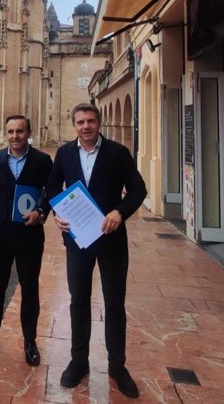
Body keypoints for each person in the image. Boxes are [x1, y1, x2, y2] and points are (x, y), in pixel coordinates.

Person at [46, 102, 146, 398]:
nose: (86, 126)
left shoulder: (118, 152)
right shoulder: (64, 153)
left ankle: (117, 365)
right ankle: (79, 362)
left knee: (115, 303)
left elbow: (139, 190)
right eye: (80, 122)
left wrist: (119, 211)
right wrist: (57, 212)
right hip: (77, 240)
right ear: (74, 125)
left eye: (90, 121)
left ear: (98, 123)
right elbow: (52, 187)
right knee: (78, 300)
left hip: (112, 239)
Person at [0, 115, 52, 366]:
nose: (14, 136)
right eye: (10, 131)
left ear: (27, 132)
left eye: (19, 131)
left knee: (30, 289)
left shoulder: (42, 160)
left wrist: (41, 212)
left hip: (29, 234)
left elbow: (50, 191)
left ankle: (30, 342)